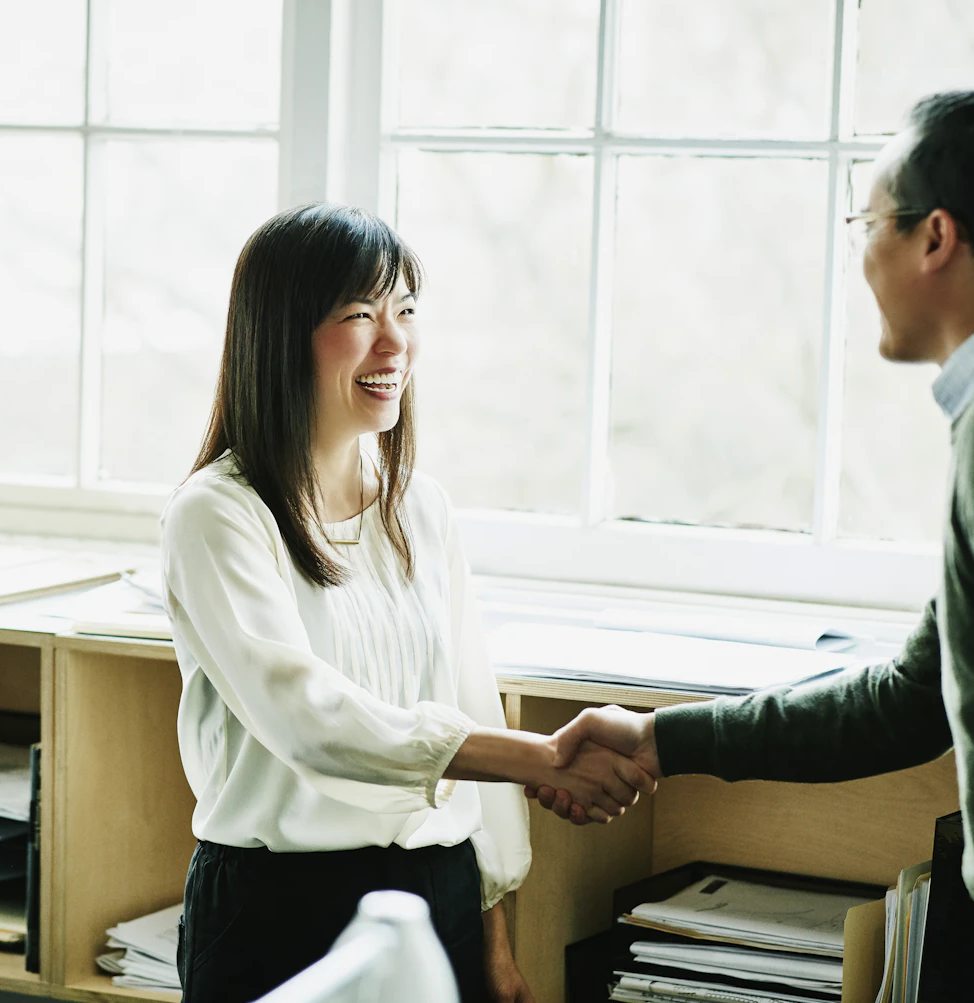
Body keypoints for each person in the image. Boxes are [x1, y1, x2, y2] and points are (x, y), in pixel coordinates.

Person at [531, 90, 974, 1003]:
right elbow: (912, 698)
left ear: (935, 237)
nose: (862, 253)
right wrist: (658, 738)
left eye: (869, 221)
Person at [160, 203, 657, 1003]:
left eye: (406, 310)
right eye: (359, 315)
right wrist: (541, 757)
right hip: (281, 912)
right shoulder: (217, 514)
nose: (394, 343)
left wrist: (493, 941)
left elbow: (469, 702)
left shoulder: (421, 509)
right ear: (279, 334)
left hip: (442, 896)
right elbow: (311, 719)